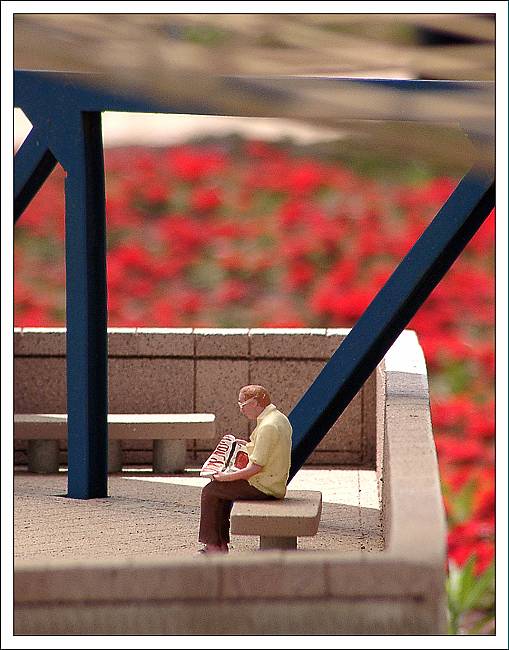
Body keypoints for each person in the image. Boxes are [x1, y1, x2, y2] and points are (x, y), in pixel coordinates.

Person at [198, 384, 292, 554]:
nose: (241, 410)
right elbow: (270, 450)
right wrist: (247, 446)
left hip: (264, 487)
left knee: (211, 491)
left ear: (255, 403)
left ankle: (214, 546)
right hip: (274, 482)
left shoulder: (267, 427)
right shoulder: (278, 418)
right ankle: (219, 544)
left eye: (242, 405)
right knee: (220, 491)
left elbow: (255, 468)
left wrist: (224, 477)